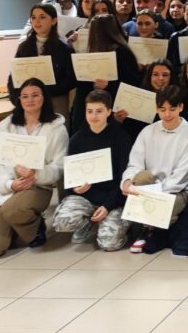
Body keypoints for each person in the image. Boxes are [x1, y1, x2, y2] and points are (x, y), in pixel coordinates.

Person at [0, 78, 68, 259]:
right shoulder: (6, 126)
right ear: (19, 99)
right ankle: (27, 230)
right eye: (25, 96)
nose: (30, 100)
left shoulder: (56, 129)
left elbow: (60, 166)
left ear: (44, 98)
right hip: (9, 189)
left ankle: (30, 227)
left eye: (35, 95)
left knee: (14, 210)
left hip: (37, 187)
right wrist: (10, 184)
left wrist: (36, 174)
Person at [122, 84, 188, 256]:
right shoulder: (147, 131)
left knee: (166, 206)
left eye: (172, 109)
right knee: (141, 177)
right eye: (162, 109)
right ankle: (152, 228)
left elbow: (181, 175)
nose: (167, 114)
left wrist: (155, 196)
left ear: (181, 107)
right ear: (156, 109)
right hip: (149, 186)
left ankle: (150, 230)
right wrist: (128, 181)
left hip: (176, 190)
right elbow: (135, 163)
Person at [53, 90, 133, 251]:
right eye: (90, 111)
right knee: (62, 221)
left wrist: (108, 206)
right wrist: (75, 188)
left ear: (109, 112)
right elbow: (70, 179)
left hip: (113, 200)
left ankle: (121, 225)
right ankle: (87, 222)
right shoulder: (76, 140)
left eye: (99, 111)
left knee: (109, 244)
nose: (94, 116)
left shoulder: (121, 138)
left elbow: (123, 179)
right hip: (86, 198)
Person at [69, 14, 140, 134]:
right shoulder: (92, 51)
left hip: (115, 111)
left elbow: (133, 84)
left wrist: (110, 85)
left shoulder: (122, 52)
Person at [8, 3, 75, 116]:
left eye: (42, 17)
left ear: (53, 21)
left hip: (56, 102)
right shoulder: (24, 46)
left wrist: (44, 92)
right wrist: (16, 98)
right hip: (29, 103)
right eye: (33, 17)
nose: (37, 21)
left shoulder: (64, 49)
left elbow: (71, 80)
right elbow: (14, 76)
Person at [114, 58, 176, 141]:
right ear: (149, 76)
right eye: (155, 74)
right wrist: (118, 120)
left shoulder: (177, 98)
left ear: (171, 77)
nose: (160, 78)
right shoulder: (137, 96)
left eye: (165, 75)